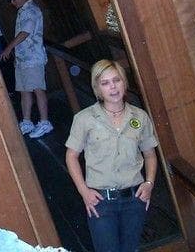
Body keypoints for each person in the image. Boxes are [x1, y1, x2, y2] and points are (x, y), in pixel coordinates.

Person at [65, 59, 158, 252]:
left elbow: (150, 154)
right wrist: (84, 191)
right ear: (98, 89)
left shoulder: (139, 117)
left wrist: (149, 183)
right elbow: (71, 156)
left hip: (134, 199)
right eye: (105, 83)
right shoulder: (84, 119)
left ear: (124, 82)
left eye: (117, 80)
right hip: (101, 202)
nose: (113, 87)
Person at [0, 0, 53, 139]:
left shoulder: (31, 10)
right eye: (11, 0)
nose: (12, 2)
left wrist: (9, 48)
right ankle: (27, 121)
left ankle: (45, 122)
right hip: (23, 60)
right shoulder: (22, 11)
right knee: (24, 90)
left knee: (38, 89)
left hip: (33, 59)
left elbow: (25, 33)